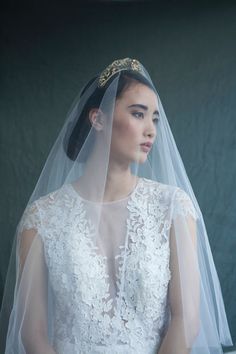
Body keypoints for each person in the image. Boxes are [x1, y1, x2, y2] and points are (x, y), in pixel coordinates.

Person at [0, 58, 232, 354]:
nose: (151, 131)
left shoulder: (172, 207)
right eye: (138, 114)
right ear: (97, 119)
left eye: (155, 119)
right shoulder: (42, 219)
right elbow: (32, 334)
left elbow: (186, 320)